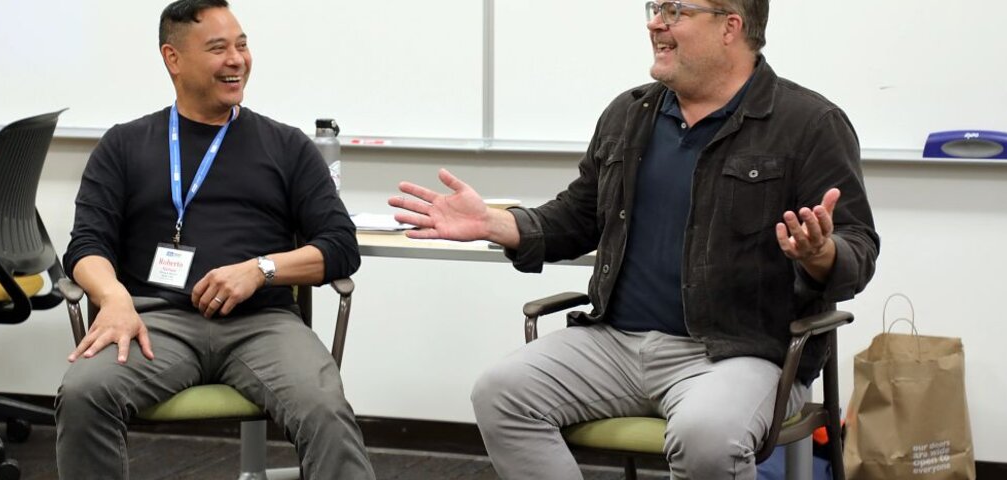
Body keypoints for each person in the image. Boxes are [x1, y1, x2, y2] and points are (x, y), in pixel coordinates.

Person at [389, 1, 879, 478]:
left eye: (674, 11)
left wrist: (821, 254)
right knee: (501, 393)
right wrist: (497, 224)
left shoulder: (808, 124)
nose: (655, 24)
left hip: (737, 352)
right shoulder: (630, 114)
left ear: (730, 26)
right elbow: (579, 215)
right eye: (654, 9)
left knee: (707, 437)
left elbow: (858, 246)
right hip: (616, 343)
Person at [56, 1, 373, 478]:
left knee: (324, 407)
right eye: (218, 48)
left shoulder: (286, 146)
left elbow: (340, 245)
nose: (237, 60)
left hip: (262, 323)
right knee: (83, 395)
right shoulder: (124, 144)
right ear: (173, 59)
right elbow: (85, 246)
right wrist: (113, 297)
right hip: (154, 322)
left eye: (242, 45)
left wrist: (261, 269)